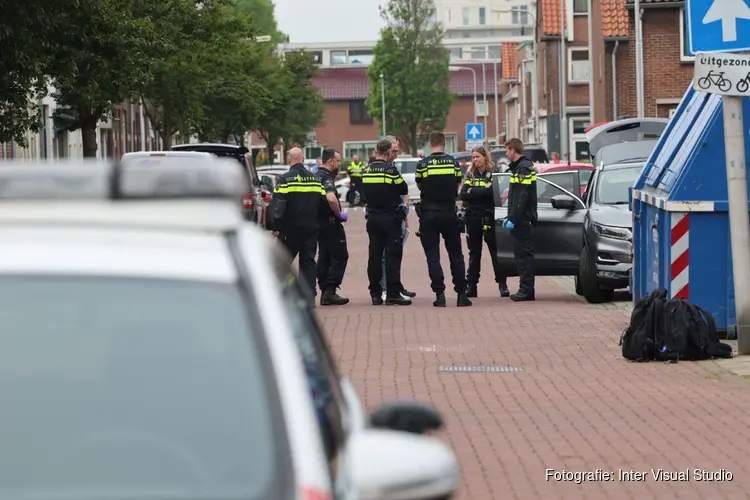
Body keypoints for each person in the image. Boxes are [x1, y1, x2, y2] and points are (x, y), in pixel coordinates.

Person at [415, 131, 472, 308]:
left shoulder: (423, 164)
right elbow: (457, 184)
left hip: (429, 213)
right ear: (444, 144)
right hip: (449, 212)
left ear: (430, 144)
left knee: (433, 256)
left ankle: (440, 295)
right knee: (456, 254)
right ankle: (462, 294)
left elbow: (420, 185)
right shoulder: (453, 163)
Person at [270, 147, 326, 303]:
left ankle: (283, 295)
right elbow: (323, 203)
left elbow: (279, 206)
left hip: (290, 229)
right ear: (302, 159)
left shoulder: (285, 179)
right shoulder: (315, 179)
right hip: (311, 228)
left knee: (282, 262)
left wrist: (277, 226)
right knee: (308, 261)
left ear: (290, 160)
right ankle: (309, 297)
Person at [362, 140, 411, 306]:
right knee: (392, 256)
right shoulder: (390, 171)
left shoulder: (366, 171)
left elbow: (363, 193)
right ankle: (392, 293)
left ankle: (375, 294)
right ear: (388, 151)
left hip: (372, 218)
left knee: (374, 256)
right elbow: (403, 188)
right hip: (389, 218)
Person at [460, 146, 510, 298]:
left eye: (478, 157)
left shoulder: (494, 172)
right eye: (473, 157)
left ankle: (502, 284)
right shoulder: (471, 174)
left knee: (495, 252)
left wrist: (473, 192)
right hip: (473, 217)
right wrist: (479, 192)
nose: (475, 160)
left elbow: (494, 192)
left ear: (485, 157)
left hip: (489, 216)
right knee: (474, 253)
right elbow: (463, 194)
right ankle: (472, 286)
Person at [378, 136, 416, 300]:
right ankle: (386, 288)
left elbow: (404, 191)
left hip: (398, 214)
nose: (396, 154)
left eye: (397, 151)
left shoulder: (393, 167)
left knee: (396, 253)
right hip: (387, 216)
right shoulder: (380, 168)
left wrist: (405, 210)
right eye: (394, 151)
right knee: (386, 255)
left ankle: (396, 285)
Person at [503, 138, 538, 302]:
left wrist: (514, 219)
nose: (505, 153)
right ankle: (525, 289)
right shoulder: (520, 167)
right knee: (522, 255)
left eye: (507, 150)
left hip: (522, 220)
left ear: (512, 150)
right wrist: (509, 217)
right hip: (520, 218)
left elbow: (522, 197)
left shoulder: (523, 168)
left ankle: (526, 290)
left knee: (524, 256)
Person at [316, 148, 350, 306]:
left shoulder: (315, 176)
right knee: (340, 256)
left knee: (324, 256)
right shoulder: (326, 178)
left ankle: (324, 291)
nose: (339, 164)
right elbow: (331, 198)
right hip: (330, 223)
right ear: (330, 161)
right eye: (337, 161)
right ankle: (330, 291)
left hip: (319, 224)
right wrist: (338, 214)